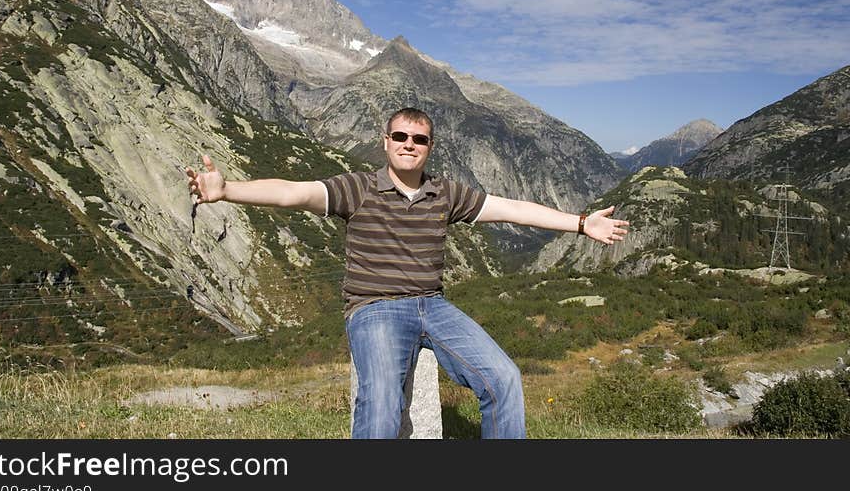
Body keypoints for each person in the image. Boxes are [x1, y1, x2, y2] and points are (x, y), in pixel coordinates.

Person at [185, 107, 629, 438]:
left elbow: (511, 208)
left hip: (433, 306)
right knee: (381, 405)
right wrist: (227, 191)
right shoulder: (357, 188)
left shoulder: (446, 193)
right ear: (385, 141)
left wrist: (580, 222)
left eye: (419, 139)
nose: (409, 144)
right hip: (374, 308)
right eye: (400, 136)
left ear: (430, 147)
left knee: (504, 378)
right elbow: (293, 193)